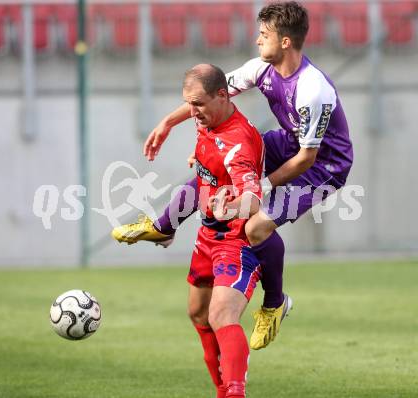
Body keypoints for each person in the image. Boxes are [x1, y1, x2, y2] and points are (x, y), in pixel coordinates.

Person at [112, 1, 353, 350]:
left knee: (256, 226)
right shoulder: (262, 69)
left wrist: (264, 185)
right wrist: (167, 122)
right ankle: (164, 225)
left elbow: (307, 157)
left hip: (325, 166)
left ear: (285, 41)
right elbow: (210, 92)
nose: (258, 40)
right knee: (217, 165)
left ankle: (274, 304)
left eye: (264, 34)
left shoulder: (314, 90)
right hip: (288, 143)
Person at [170, 63, 264, 398]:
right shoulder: (209, 121)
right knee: (197, 312)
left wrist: (232, 207)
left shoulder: (238, 143)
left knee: (221, 314)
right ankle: (222, 390)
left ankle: (234, 393)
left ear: (222, 95)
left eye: (197, 103)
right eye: (188, 103)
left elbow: (253, 200)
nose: (191, 112)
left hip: (236, 241)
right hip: (208, 236)